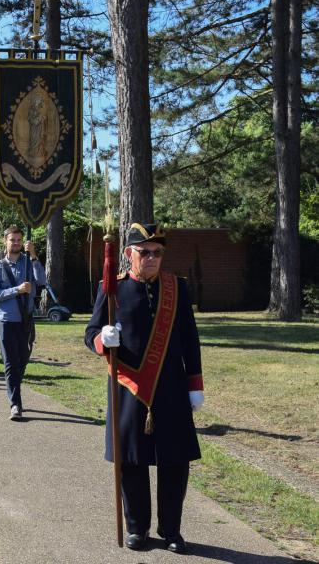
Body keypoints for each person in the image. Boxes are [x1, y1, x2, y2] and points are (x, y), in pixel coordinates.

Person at [85, 223, 203, 554]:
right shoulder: (112, 288)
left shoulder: (177, 289)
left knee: (174, 461)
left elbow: (190, 341)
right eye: (145, 252)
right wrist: (101, 340)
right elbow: (90, 331)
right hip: (129, 386)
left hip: (171, 387)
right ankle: (137, 528)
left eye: (157, 252)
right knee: (132, 461)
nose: (151, 258)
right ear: (128, 254)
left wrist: (195, 384)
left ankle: (171, 530)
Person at [0, 226, 45, 421]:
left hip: (26, 320)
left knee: (22, 361)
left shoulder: (29, 262)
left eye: (19, 240)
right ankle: (15, 404)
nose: (16, 243)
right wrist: (16, 290)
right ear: (5, 242)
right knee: (11, 363)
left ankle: (15, 393)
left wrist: (35, 256)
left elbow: (42, 281)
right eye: (13, 240)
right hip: (7, 321)